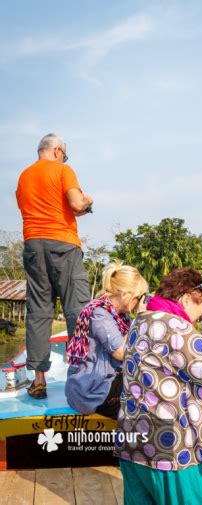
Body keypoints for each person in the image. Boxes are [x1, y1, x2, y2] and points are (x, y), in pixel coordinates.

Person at [114, 267, 202, 505]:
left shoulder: (140, 321)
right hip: (171, 449)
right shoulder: (176, 326)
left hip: (133, 441)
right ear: (186, 299)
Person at [16, 133, 93, 399]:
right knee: (77, 309)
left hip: (33, 245)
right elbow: (75, 203)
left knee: (38, 312)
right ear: (58, 150)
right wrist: (87, 201)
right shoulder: (63, 170)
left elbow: (35, 209)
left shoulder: (24, 177)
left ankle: (38, 381)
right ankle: (82, 379)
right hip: (62, 243)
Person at [65, 261, 148, 419]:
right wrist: (139, 319)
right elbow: (121, 352)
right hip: (92, 391)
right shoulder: (99, 313)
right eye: (138, 297)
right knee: (148, 406)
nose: (139, 302)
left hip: (104, 381)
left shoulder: (120, 316)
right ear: (125, 294)